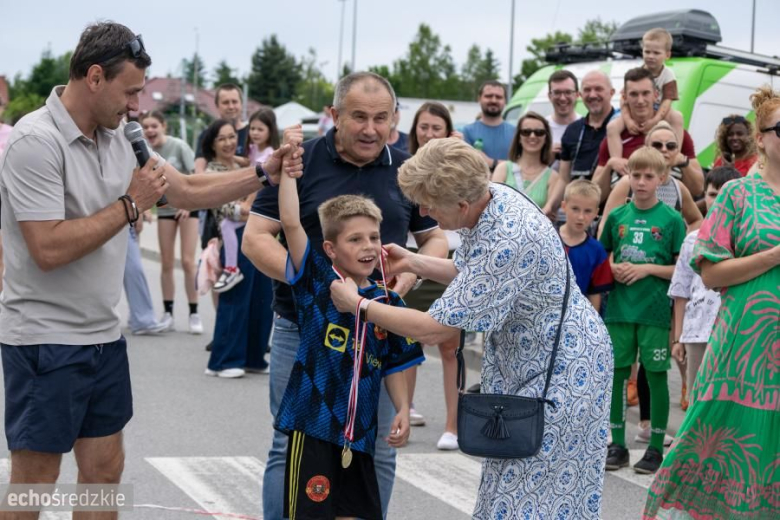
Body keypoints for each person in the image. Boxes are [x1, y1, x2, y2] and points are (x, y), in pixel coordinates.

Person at [0, 22, 300, 517]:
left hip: (102, 335)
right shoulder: (36, 141)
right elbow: (47, 248)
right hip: (44, 339)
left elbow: (186, 191)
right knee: (35, 480)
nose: (137, 105)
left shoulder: (120, 134)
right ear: (95, 77)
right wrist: (131, 205)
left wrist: (262, 172)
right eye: (130, 92)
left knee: (105, 471)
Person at [329, 137, 613, 519]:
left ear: (461, 204)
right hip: (539, 362)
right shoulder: (490, 197)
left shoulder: (508, 236)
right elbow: (473, 275)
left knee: (531, 497)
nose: (423, 212)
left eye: (429, 204)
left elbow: (433, 329)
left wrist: (359, 306)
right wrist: (413, 261)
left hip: (563, 371)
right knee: (511, 488)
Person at [243, 71, 448, 520]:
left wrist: (406, 279)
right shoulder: (297, 162)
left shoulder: (408, 170)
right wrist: (312, 284)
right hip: (302, 330)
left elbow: (435, 239)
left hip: (376, 331)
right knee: (292, 442)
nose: (371, 129)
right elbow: (256, 238)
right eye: (359, 117)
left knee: (378, 447)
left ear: (395, 118)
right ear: (334, 115)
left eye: (381, 118)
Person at [644, 85, 780, 519]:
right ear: (761, 139)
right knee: (722, 437)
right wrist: (774, 256)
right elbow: (710, 272)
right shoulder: (739, 195)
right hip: (744, 348)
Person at [276, 158, 422, 518]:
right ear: (330, 249)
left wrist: (403, 408)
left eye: (374, 237)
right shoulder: (317, 283)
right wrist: (287, 173)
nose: (368, 246)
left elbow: (395, 364)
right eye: (355, 239)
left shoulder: (388, 303)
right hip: (313, 428)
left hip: (360, 436)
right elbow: (291, 223)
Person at [599, 121, 703, 421]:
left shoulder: (677, 190)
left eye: (671, 145)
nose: (664, 150)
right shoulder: (627, 188)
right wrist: (612, 266)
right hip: (627, 294)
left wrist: (687, 241)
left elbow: (697, 222)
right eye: (657, 144)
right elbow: (607, 228)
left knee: (659, 359)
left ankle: (659, 418)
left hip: (660, 290)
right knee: (625, 360)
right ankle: (624, 425)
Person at [600, 146, 687, 475]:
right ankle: (618, 445)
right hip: (620, 309)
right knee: (618, 374)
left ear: (662, 179)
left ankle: (654, 448)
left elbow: (680, 271)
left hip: (654, 311)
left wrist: (647, 268)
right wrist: (613, 267)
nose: (640, 182)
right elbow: (603, 257)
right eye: (635, 175)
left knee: (655, 375)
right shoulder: (617, 217)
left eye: (648, 176)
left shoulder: (672, 220)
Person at [402, 101, 463, 449]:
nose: (428, 133)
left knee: (450, 346)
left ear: (447, 132)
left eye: (436, 128)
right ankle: (404, 410)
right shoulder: (406, 168)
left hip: (452, 257)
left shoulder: (460, 169)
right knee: (407, 340)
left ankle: (452, 425)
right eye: (423, 127)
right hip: (413, 256)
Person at [668, 166, 741, 409]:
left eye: (725, 195)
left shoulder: (745, 240)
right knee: (697, 399)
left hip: (733, 331)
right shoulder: (692, 239)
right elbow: (681, 292)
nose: (718, 201)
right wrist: (678, 338)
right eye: (712, 194)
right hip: (696, 331)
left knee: (729, 401)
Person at [593, 67, 703, 203]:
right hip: (627, 212)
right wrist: (609, 165)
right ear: (625, 97)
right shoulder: (615, 135)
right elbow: (595, 196)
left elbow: (698, 189)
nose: (640, 100)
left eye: (645, 93)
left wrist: (683, 163)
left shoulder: (673, 135)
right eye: (634, 94)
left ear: (656, 95)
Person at [140, 110, 202, 334]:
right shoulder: (144, 152)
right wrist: (143, 209)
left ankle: (194, 313)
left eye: (154, 126)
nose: (150, 130)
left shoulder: (178, 146)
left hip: (188, 208)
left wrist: (189, 204)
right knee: (166, 262)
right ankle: (168, 313)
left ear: (163, 126)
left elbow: (195, 176)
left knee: (187, 261)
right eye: (146, 127)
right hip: (165, 210)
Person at [549, 70, 618, 221]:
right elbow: (564, 178)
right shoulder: (572, 130)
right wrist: (550, 206)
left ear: (612, 93)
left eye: (598, 89)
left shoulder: (622, 128)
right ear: (580, 95)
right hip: (576, 219)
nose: (592, 95)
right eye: (587, 90)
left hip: (609, 216)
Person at [606, 28, 684, 161]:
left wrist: (655, 120)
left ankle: (675, 155)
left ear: (667, 55)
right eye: (647, 52)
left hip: (658, 108)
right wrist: (628, 120)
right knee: (612, 127)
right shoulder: (637, 73)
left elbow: (667, 101)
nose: (650, 56)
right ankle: (617, 161)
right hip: (634, 110)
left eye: (656, 53)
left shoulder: (668, 75)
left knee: (677, 117)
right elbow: (624, 99)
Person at [201, 120, 249, 293]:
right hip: (232, 250)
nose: (228, 143)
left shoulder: (242, 166)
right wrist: (254, 212)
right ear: (212, 144)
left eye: (232, 137)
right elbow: (229, 211)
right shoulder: (211, 174)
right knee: (234, 305)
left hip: (253, 243)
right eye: (221, 139)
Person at [558, 179, 613, 311]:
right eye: (575, 209)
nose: (581, 217)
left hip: (578, 315)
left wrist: (592, 320)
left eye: (587, 211)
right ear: (564, 206)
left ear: (596, 213)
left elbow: (595, 293)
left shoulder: (596, 251)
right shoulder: (549, 239)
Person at [493, 111, 559, 217]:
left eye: (539, 132)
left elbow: (550, 214)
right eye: (526, 132)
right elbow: (493, 206)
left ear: (546, 138)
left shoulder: (553, 177)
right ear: (518, 137)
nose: (532, 136)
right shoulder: (502, 169)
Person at [123, 213, 168, 335]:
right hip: (114, 216)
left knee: (133, 267)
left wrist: (139, 210)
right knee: (133, 267)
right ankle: (141, 318)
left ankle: (140, 318)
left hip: (123, 219)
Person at [194, 83, 249, 174]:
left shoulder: (253, 133)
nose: (231, 107)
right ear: (217, 106)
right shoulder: (207, 134)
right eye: (225, 103)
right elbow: (199, 171)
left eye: (234, 102)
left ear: (241, 104)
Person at [462, 80, 515, 170]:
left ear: (505, 101)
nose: (494, 100)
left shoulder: (515, 132)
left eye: (498, 97)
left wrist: (491, 162)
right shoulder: (467, 132)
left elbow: (521, 166)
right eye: (488, 96)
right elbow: (466, 166)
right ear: (479, 99)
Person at [546, 69, 580, 167]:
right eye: (557, 92)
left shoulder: (586, 126)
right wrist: (546, 158)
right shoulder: (539, 129)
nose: (562, 98)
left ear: (577, 95)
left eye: (568, 92)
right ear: (549, 96)